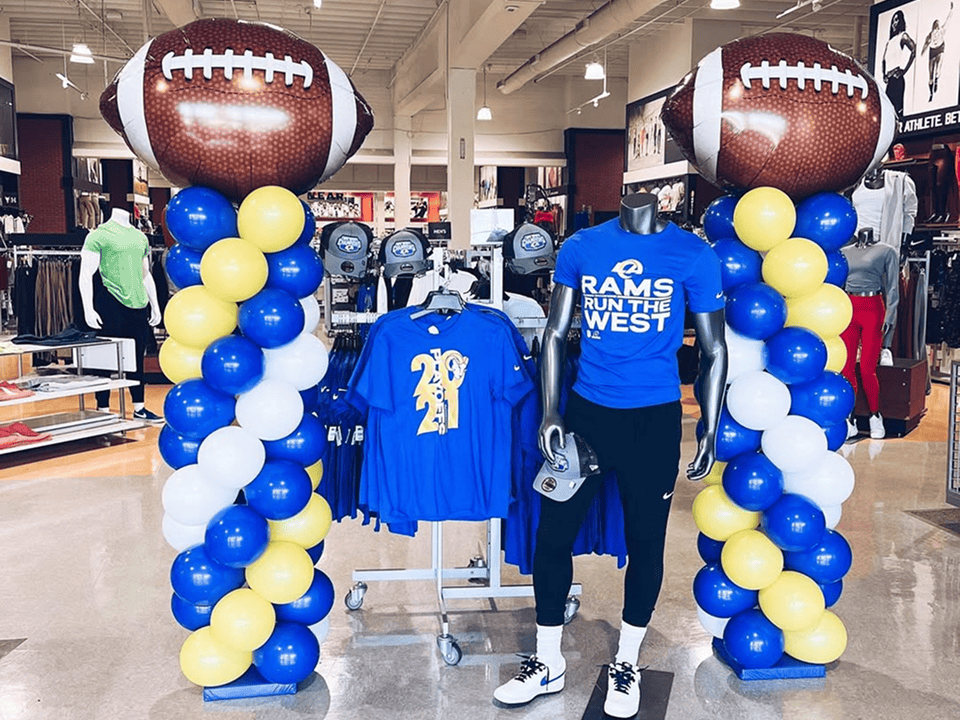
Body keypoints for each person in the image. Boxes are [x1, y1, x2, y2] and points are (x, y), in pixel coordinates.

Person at [493, 193, 727, 718]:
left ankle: (626, 661)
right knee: (552, 536)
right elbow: (554, 333)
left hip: (654, 422)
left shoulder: (693, 255)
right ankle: (547, 659)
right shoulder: (582, 247)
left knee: (646, 543)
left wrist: (709, 426)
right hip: (586, 417)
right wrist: (551, 412)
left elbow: (714, 349)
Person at [79, 207, 164, 423]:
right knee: (104, 359)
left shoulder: (140, 237)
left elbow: (145, 274)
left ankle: (139, 407)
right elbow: (85, 274)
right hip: (110, 302)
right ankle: (103, 408)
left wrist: (155, 305)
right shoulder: (98, 235)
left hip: (139, 304)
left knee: (136, 359)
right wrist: (88, 308)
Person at [841, 227, 899, 440]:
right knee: (846, 368)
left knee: (867, 369)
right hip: (849, 307)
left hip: (873, 308)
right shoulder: (845, 252)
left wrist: (890, 317)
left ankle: (875, 416)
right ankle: (850, 419)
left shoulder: (886, 251)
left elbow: (893, 288)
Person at [882, 9, 917, 117]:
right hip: (890, 80)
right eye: (893, 20)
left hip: (897, 79)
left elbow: (914, 49)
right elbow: (884, 60)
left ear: (901, 21)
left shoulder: (903, 36)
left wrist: (904, 70)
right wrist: (884, 74)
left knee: (897, 112)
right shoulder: (889, 42)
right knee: (888, 112)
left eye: (896, 20)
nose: (894, 23)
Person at [921, 2, 953, 102]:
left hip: (940, 49)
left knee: (938, 70)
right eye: (936, 26)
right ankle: (931, 92)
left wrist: (951, 10)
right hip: (932, 50)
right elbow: (925, 45)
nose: (937, 27)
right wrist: (922, 53)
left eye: (938, 26)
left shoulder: (942, 30)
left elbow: (948, 20)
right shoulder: (930, 34)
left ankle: (936, 79)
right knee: (930, 75)